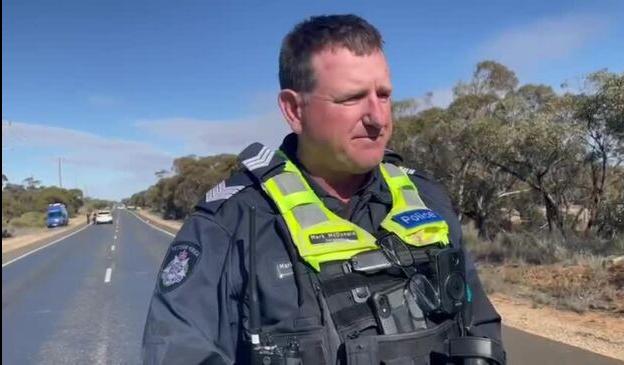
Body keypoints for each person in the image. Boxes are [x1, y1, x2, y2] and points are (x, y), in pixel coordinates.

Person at [142, 14, 505, 364]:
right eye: (351, 98)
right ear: (293, 110)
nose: (378, 118)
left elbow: (479, 327)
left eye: (384, 95)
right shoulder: (229, 224)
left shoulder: (427, 197)